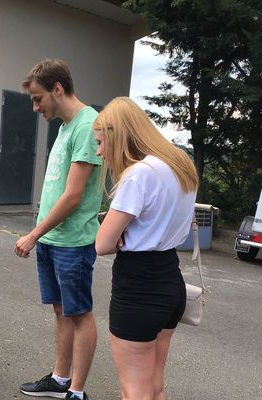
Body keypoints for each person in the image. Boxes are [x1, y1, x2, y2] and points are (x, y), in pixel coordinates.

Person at [93, 97, 199, 400]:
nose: (100, 152)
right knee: (155, 386)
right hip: (171, 282)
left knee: (135, 392)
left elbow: (102, 244)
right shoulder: (180, 165)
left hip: (139, 289)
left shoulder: (139, 173)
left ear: (119, 136)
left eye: (101, 142)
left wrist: (117, 233)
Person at [15, 59, 103, 400]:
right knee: (61, 310)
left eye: (38, 99)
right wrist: (41, 233)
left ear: (58, 89)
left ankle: (76, 392)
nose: (36, 108)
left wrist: (34, 233)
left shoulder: (87, 125)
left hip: (73, 242)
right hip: (53, 238)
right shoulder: (66, 125)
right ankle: (59, 378)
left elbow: (73, 195)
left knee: (79, 313)